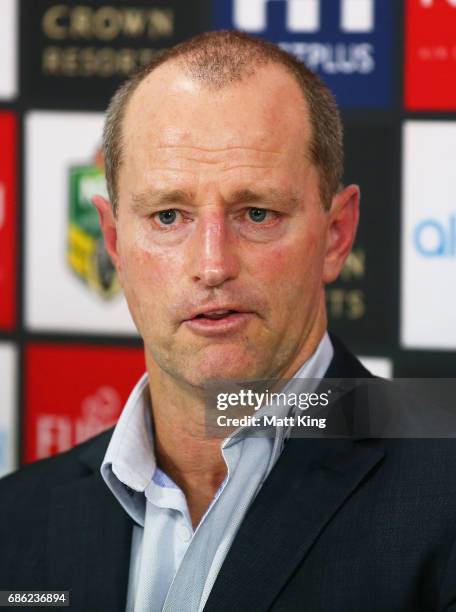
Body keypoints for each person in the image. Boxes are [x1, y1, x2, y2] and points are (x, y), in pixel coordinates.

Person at [1, 30, 456, 612]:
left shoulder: (445, 490)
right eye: (169, 216)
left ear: (335, 236)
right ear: (114, 240)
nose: (212, 265)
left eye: (257, 214)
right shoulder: (14, 519)